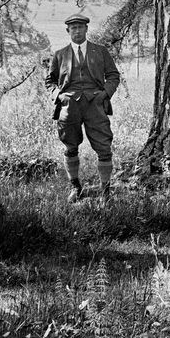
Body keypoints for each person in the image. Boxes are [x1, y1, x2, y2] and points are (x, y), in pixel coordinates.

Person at [45, 13, 121, 202]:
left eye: (80, 27)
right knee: (70, 146)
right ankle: (75, 187)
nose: (77, 31)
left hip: (95, 104)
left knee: (104, 146)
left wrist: (104, 94)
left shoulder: (100, 51)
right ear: (68, 31)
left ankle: (105, 190)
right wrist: (59, 96)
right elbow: (50, 81)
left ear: (86, 29)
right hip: (69, 106)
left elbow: (113, 76)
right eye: (73, 28)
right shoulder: (60, 54)